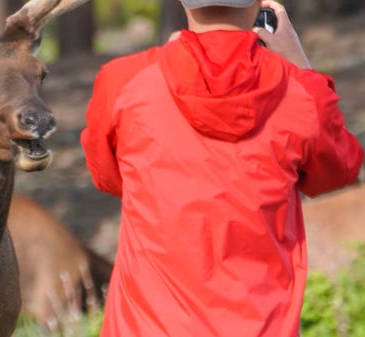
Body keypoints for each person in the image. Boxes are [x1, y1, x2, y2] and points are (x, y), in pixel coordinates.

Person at [80, 0, 364, 336]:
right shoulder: (299, 93)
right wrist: (301, 66)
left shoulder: (123, 81)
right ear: (261, 5)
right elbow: (338, 170)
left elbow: (109, 177)